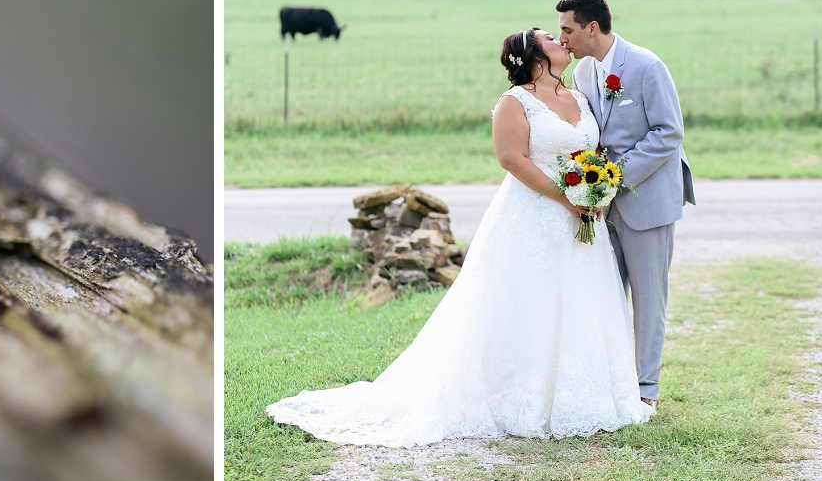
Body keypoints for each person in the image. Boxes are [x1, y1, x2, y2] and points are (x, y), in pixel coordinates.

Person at [267, 27, 648, 444]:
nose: (562, 40)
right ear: (536, 55)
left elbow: (588, 153)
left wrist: (592, 191)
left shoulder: (578, 97)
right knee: (528, 302)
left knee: (577, 302)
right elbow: (511, 158)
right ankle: (517, 397)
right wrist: (564, 197)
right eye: (550, 37)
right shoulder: (514, 102)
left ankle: (582, 396)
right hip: (533, 214)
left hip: (579, 218)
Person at [556, 0, 695, 411]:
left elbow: (668, 132)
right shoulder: (583, 74)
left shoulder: (646, 66)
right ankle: (612, 383)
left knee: (649, 302)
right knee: (607, 296)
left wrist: (616, 178)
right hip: (601, 205)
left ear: (591, 28)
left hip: (646, 200)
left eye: (567, 30)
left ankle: (646, 390)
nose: (562, 39)